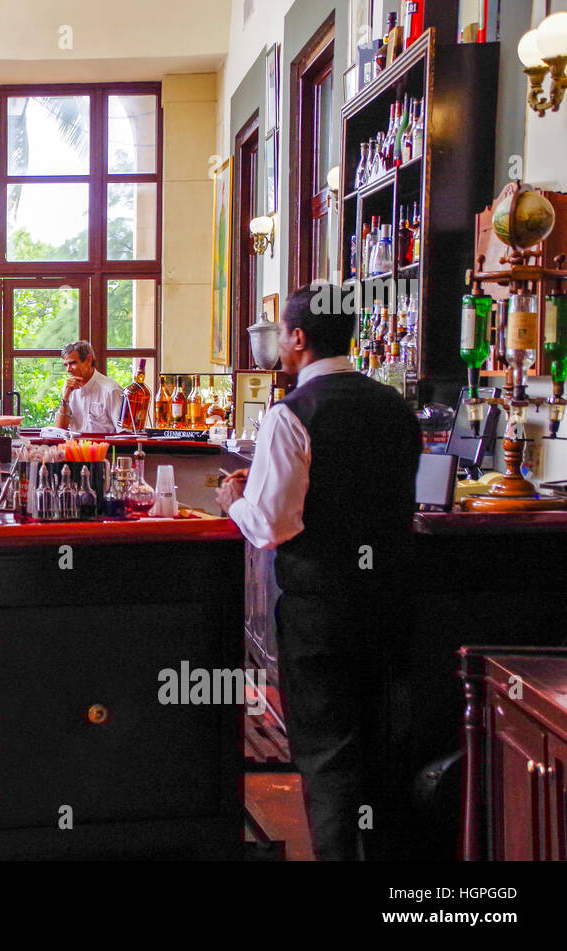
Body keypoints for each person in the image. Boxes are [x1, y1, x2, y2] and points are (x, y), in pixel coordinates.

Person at [215, 285, 421, 861]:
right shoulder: (395, 408)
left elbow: (269, 526)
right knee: (385, 749)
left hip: (321, 610)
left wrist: (234, 497)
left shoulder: (293, 414)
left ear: (299, 339)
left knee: (329, 754)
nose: (280, 344)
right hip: (393, 603)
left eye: (281, 333)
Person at [54, 340, 124, 432]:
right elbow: (60, 429)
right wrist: (65, 397)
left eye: (73, 363)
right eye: (66, 365)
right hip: (74, 445)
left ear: (88, 360)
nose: (68, 370)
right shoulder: (69, 388)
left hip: (104, 446)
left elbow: (123, 433)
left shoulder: (111, 390)